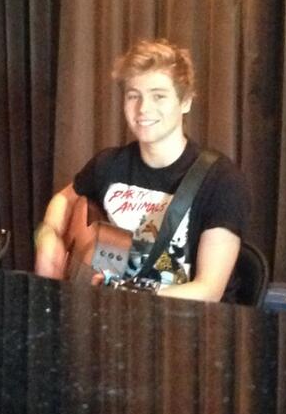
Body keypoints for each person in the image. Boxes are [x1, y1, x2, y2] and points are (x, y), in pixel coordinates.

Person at [34, 38, 250, 302]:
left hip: (186, 320)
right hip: (112, 311)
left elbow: (208, 290)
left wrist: (126, 293)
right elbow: (64, 199)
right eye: (133, 96)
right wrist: (47, 235)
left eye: (159, 96)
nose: (143, 108)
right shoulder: (108, 164)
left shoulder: (222, 181)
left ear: (185, 102)